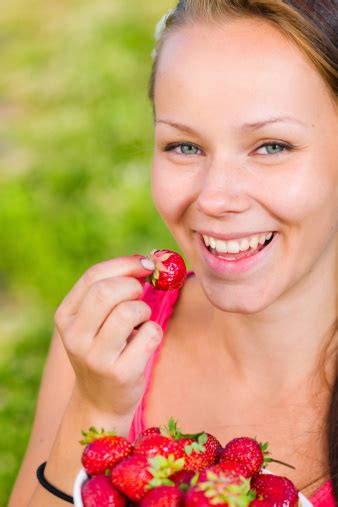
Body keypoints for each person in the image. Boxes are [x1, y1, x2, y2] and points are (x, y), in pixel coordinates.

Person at [9, 1, 337, 505]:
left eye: (271, 146)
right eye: (184, 147)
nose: (213, 198)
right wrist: (97, 409)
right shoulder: (115, 341)